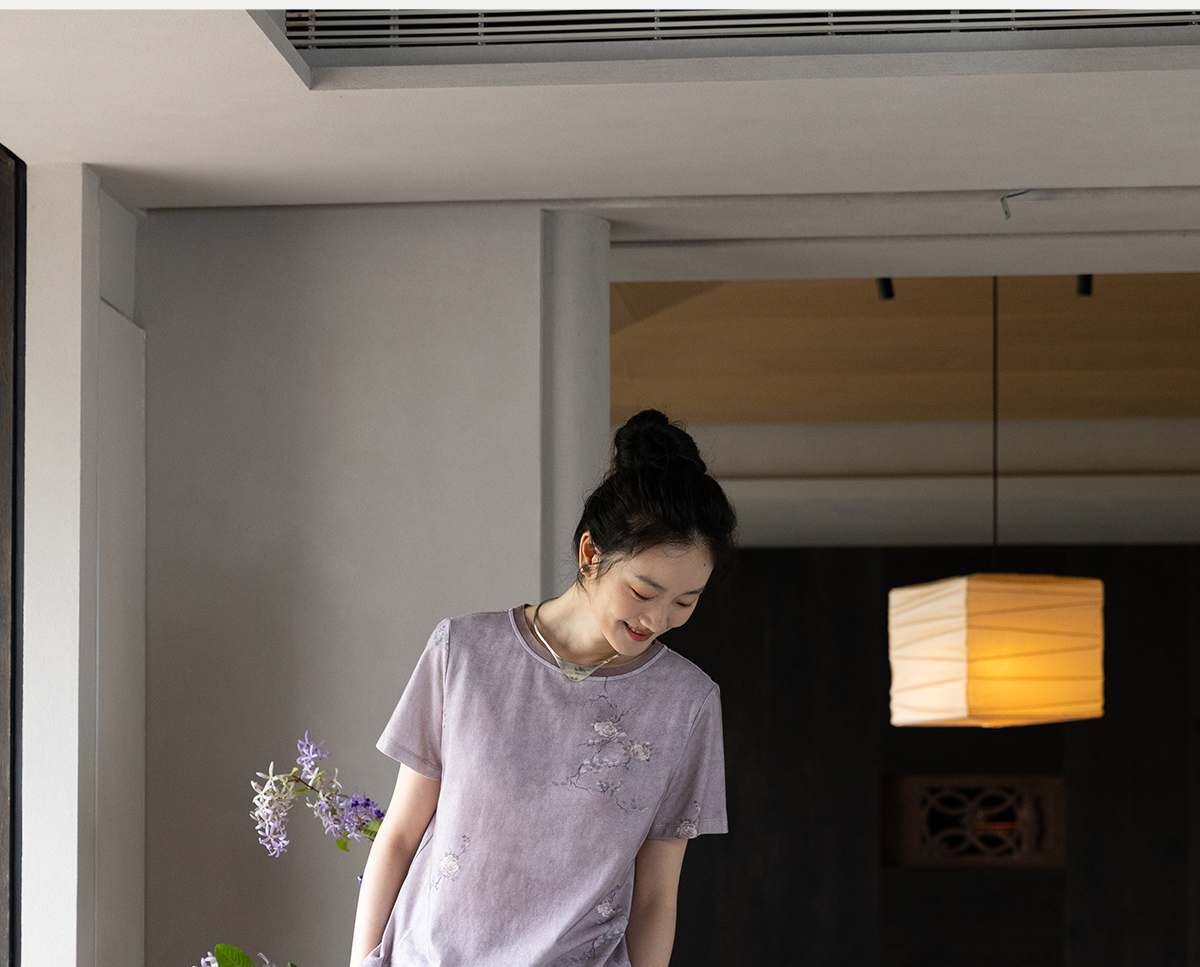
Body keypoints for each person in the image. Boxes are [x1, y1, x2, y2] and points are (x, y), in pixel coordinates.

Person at [348, 409, 737, 967]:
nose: (657, 619)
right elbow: (400, 836)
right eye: (643, 592)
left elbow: (656, 896)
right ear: (590, 554)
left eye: (685, 602)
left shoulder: (686, 703)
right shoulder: (464, 653)